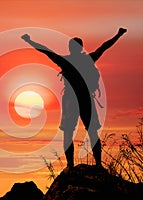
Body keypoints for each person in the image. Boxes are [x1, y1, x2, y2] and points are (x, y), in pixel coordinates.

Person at [21, 27, 127, 169]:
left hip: (72, 101)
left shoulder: (66, 61)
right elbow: (103, 47)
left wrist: (29, 40)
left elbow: (46, 51)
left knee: (70, 132)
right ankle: (97, 165)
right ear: (81, 48)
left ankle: (71, 165)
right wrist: (118, 35)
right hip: (85, 99)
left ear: (71, 48)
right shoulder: (88, 59)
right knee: (90, 131)